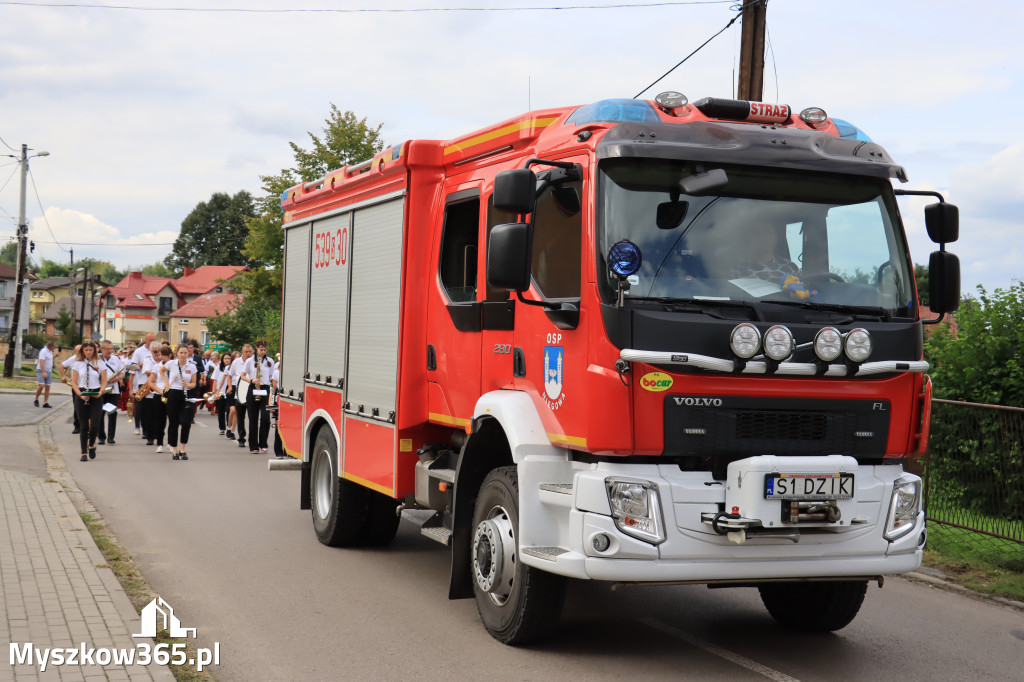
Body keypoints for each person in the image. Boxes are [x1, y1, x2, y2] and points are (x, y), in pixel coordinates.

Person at [71, 341, 108, 462]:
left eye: (90, 350)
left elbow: (104, 381)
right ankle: (83, 452)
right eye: (86, 350)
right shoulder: (77, 364)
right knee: (84, 426)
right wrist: (81, 395)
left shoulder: (100, 363)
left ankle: (92, 444)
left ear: (94, 351)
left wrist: (101, 392)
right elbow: (74, 383)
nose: (88, 352)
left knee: (95, 423)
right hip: (82, 394)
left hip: (95, 394)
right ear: (82, 351)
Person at [161, 344, 198, 460]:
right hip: (173, 393)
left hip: (186, 395)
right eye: (181, 353)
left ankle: (183, 449)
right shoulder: (171, 364)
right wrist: (166, 383)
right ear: (177, 353)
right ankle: (174, 450)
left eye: (185, 353)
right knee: (173, 423)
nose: (183, 355)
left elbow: (194, 384)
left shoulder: (192, 367)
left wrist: (187, 384)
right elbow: (161, 371)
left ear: (188, 354)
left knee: (186, 423)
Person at [731, 223, 799, 282]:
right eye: (755, 232)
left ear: (775, 237)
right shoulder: (736, 268)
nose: (762, 236)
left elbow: (801, 292)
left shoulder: (791, 268)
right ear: (748, 239)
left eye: (767, 231)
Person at [241, 340, 275, 454]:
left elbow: (272, 376)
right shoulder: (250, 361)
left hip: (264, 389)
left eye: (265, 350)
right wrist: (251, 380)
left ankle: (263, 443)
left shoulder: (270, 361)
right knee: (253, 419)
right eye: (261, 349)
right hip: (253, 388)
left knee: (265, 418)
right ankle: (253, 445)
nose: (263, 352)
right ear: (256, 348)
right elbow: (243, 376)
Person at [96, 340, 126, 445]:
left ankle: (111, 437)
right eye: (107, 349)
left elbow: (122, 372)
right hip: (100, 389)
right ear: (101, 349)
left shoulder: (116, 359)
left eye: (111, 349)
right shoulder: (97, 359)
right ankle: (101, 436)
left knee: (112, 412)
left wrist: (117, 378)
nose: (110, 351)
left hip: (113, 390)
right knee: (100, 413)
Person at [143, 344, 170, 451]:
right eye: (160, 355)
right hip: (159, 395)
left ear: (169, 355)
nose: (161, 357)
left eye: (163, 355)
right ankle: (160, 443)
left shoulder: (174, 366)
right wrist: (160, 391)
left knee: (173, 421)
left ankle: (171, 443)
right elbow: (151, 382)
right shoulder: (157, 366)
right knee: (159, 420)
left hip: (172, 395)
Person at [130, 333, 156, 437]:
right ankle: (137, 426)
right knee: (140, 407)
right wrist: (143, 364)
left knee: (150, 409)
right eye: (150, 340)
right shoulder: (139, 351)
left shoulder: (157, 350)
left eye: (153, 339)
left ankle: (148, 429)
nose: (152, 342)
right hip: (141, 382)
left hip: (154, 383)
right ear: (145, 340)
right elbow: (132, 367)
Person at [229, 345, 253, 448]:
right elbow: (229, 376)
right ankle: (241, 438)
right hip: (240, 392)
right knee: (240, 416)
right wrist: (230, 387)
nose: (248, 353)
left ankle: (252, 439)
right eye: (246, 351)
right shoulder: (236, 362)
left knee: (252, 417)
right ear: (242, 352)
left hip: (252, 392)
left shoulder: (255, 362)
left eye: (250, 351)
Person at [59, 344, 82, 434]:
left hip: (87, 386)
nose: (79, 353)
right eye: (77, 352)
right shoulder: (73, 359)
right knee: (76, 406)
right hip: (75, 386)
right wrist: (63, 376)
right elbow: (61, 365)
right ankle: (77, 426)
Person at [212, 353, 232, 436]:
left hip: (229, 392)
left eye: (228, 358)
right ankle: (222, 428)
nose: (227, 360)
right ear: (222, 359)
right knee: (221, 411)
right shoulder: (218, 368)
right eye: (225, 358)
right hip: (220, 392)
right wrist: (214, 392)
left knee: (229, 410)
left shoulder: (232, 368)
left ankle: (229, 427)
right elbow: (215, 380)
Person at [34, 340, 56, 408]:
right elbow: (41, 362)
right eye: (54, 347)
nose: (54, 348)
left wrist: (56, 355)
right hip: (41, 370)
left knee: (48, 387)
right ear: (50, 346)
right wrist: (43, 372)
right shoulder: (43, 351)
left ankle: (45, 402)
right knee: (41, 386)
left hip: (49, 371)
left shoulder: (50, 352)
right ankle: (36, 399)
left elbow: (50, 358)